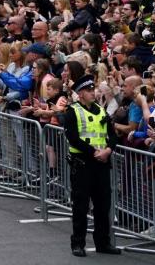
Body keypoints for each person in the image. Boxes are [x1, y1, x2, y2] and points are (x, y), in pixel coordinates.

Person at [65, 74, 121, 257]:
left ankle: (103, 242)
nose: (93, 93)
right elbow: (72, 137)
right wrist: (94, 152)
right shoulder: (73, 111)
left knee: (103, 205)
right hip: (83, 163)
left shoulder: (102, 111)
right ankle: (78, 243)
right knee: (80, 205)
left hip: (102, 163)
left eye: (93, 90)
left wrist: (108, 150)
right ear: (80, 93)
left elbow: (112, 135)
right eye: (88, 91)